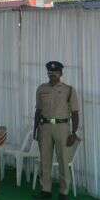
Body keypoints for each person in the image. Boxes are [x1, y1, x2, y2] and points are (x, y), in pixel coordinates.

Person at [34, 60, 81, 198]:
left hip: (62, 128)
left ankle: (64, 192)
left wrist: (74, 133)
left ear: (60, 73)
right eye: (50, 72)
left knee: (63, 161)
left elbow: (75, 113)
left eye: (55, 73)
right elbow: (38, 111)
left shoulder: (69, 90)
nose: (52, 75)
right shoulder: (41, 89)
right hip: (45, 128)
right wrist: (36, 129)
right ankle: (45, 190)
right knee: (45, 160)